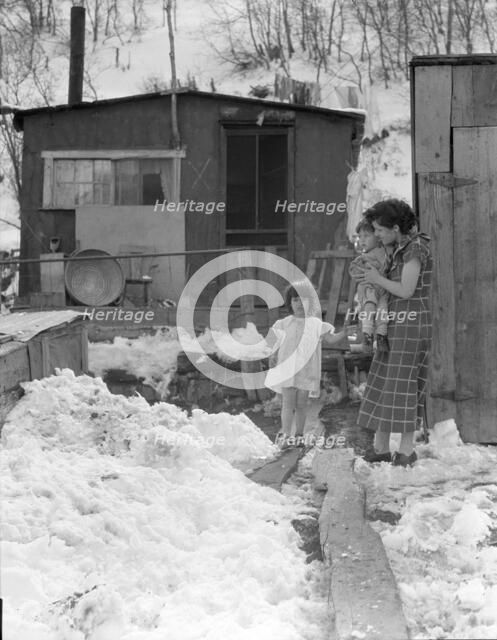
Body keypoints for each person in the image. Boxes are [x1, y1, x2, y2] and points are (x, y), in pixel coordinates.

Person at [352, 199, 432, 467]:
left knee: (404, 385)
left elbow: (407, 290)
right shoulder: (398, 247)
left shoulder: (416, 249)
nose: (377, 235)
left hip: (411, 325)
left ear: (396, 227)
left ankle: (407, 451)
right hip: (395, 323)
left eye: (381, 230)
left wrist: (376, 280)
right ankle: (381, 448)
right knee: (386, 381)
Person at [265, 281, 345, 448]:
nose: (299, 304)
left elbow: (331, 338)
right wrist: (272, 356)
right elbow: (274, 343)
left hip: (306, 371)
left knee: (302, 404)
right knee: (287, 404)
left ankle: (299, 435)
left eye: (303, 300)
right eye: (295, 300)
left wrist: (345, 332)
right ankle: (287, 435)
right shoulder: (284, 323)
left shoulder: (316, 324)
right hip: (287, 370)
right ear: (289, 303)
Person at [349, 218, 390, 354]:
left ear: (378, 237)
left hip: (379, 288)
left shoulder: (383, 253)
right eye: (360, 236)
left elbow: (387, 267)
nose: (362, 240)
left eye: (366, 236)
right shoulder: (364, 256)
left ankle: (378, 336)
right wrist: (358, 272)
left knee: (380, 309)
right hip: (371, 288)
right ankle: (371, 336)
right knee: (373, 308)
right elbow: (354, 269)